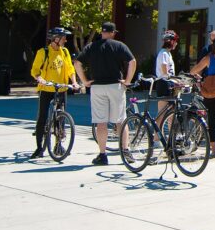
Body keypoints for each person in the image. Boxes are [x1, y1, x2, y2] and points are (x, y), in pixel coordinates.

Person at [74, 21, 136, 166]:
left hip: (97, 86)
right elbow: (132, 61)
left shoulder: (91, 47)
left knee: (101, 122)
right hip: (115, 85)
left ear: (101, 32)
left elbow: (77, 63)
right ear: (113, 33)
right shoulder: (119, 45)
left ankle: (102, 155)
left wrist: (85, 81)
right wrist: (127, 81)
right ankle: (125, 151)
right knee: (120, 120)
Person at [29, 27, 79, 158]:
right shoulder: (43, 52)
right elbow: (35, 70)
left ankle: (58, 144)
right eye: (63, 38)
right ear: (55, 39)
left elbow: (70, 69)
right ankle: (39, 147)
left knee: (60, 117)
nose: (65, 40)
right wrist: (39, 78)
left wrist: (74, 82)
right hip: (46, 89)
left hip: (61, 89)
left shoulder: (65, 52)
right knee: (42, 117)